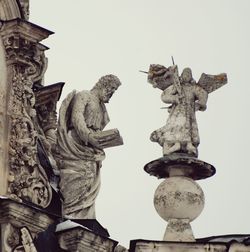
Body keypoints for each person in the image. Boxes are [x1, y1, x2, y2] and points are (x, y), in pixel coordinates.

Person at [56, 74, 121, 219]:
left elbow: (99, 127)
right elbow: (77, 117)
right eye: (111, 90)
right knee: (77, 175)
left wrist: (103, 139)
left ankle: (85, 216)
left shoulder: (102, 108)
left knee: (90, 180)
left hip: (92, 149)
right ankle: (72, 214)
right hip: (77, 144)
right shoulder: (84, 95)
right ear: (104, 85)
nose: (111, 94)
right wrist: (89, 136)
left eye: (114, 91)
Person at [150, 67, 208, 156]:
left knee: (189, 127)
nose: (187, 76)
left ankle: (188, 144)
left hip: (189, 112)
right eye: (185, 74)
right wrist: (175, 98)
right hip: (177, 111)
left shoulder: (193, 88)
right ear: (182, 75)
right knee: (176, 126)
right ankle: (177, 143)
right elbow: (164, 96)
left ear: (191, 77)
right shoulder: (177, 87)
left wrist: (200, 104)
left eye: (189, 75)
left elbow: (203, 93)